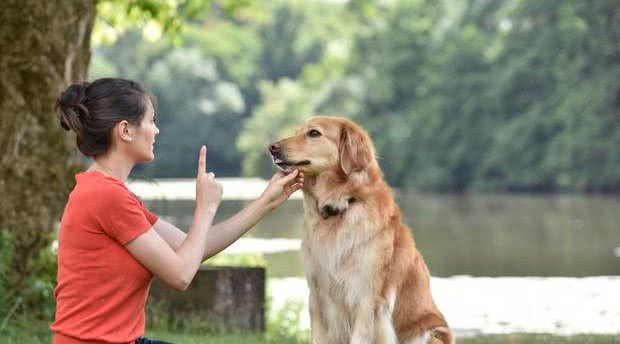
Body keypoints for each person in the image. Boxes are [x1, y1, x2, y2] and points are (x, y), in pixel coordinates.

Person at [50, 78, 304, 344]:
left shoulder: (110, 193)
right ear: (125, 130)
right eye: (151, 121)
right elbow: (181, 275)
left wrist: (267, 202)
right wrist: (204, 208)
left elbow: (189, 249)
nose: (157, 131)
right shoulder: (106, 196)